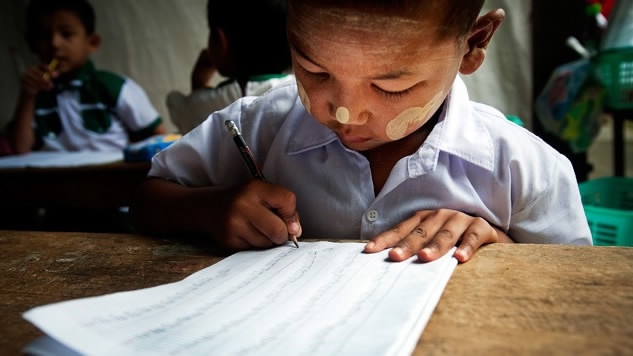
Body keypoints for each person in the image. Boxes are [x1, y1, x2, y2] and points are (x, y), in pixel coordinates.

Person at [131, 0, 592, 264]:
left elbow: (577, 285)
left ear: (472, 46)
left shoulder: (522, 168)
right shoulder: (260, 124)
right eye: (313, 70)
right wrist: (212, 208)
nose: (346, 112)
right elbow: (148, 198)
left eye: (392, 86)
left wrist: (498, 246)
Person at [8, 0, 166, 154]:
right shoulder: (36, 95)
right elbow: (21, 149)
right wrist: (28, 95)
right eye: (44, 35)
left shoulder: (114, 86)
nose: (54, 43)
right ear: (31, 44)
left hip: (110, 175)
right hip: (52, 178)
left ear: (92, 42)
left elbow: (159, 137)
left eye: (66, 34)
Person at [166, 0, 293, 134]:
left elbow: (183, 115)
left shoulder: (209, 103)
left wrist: (198, 83)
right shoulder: (299, 91)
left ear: (221, 42)